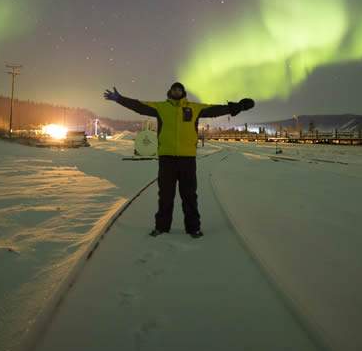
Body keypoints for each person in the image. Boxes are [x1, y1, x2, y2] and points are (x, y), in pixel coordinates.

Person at [103, 81, 254, 238]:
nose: (176, 91)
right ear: (170, 91)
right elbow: (139, 106)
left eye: (179, 89)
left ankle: (193, 228)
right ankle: (161, 227)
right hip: (167, 158)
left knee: (189, 195)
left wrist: (239, 107)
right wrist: (120, 99)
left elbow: (216, 110)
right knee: (165, 195)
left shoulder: (195, 108)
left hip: (187, 159)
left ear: (183, 92)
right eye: (174, 89)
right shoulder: (161, 107)